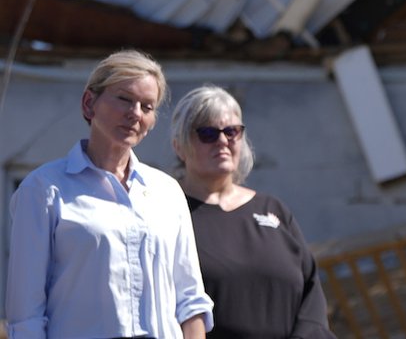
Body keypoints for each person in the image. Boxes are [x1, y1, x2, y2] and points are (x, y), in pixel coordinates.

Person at [6, 49, 213, 338]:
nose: (135, 113)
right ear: (89, 103)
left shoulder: (167, 192)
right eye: (124, 99)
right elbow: (25, 316)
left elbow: (190, 301)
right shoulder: (43, 189)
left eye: (147, 106)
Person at [171, 84, 336, 339]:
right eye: (207, 133)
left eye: (232, 131)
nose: (223, 141)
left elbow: (311, 295)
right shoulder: (167, 212)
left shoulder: (274, 210)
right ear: (179, 147)